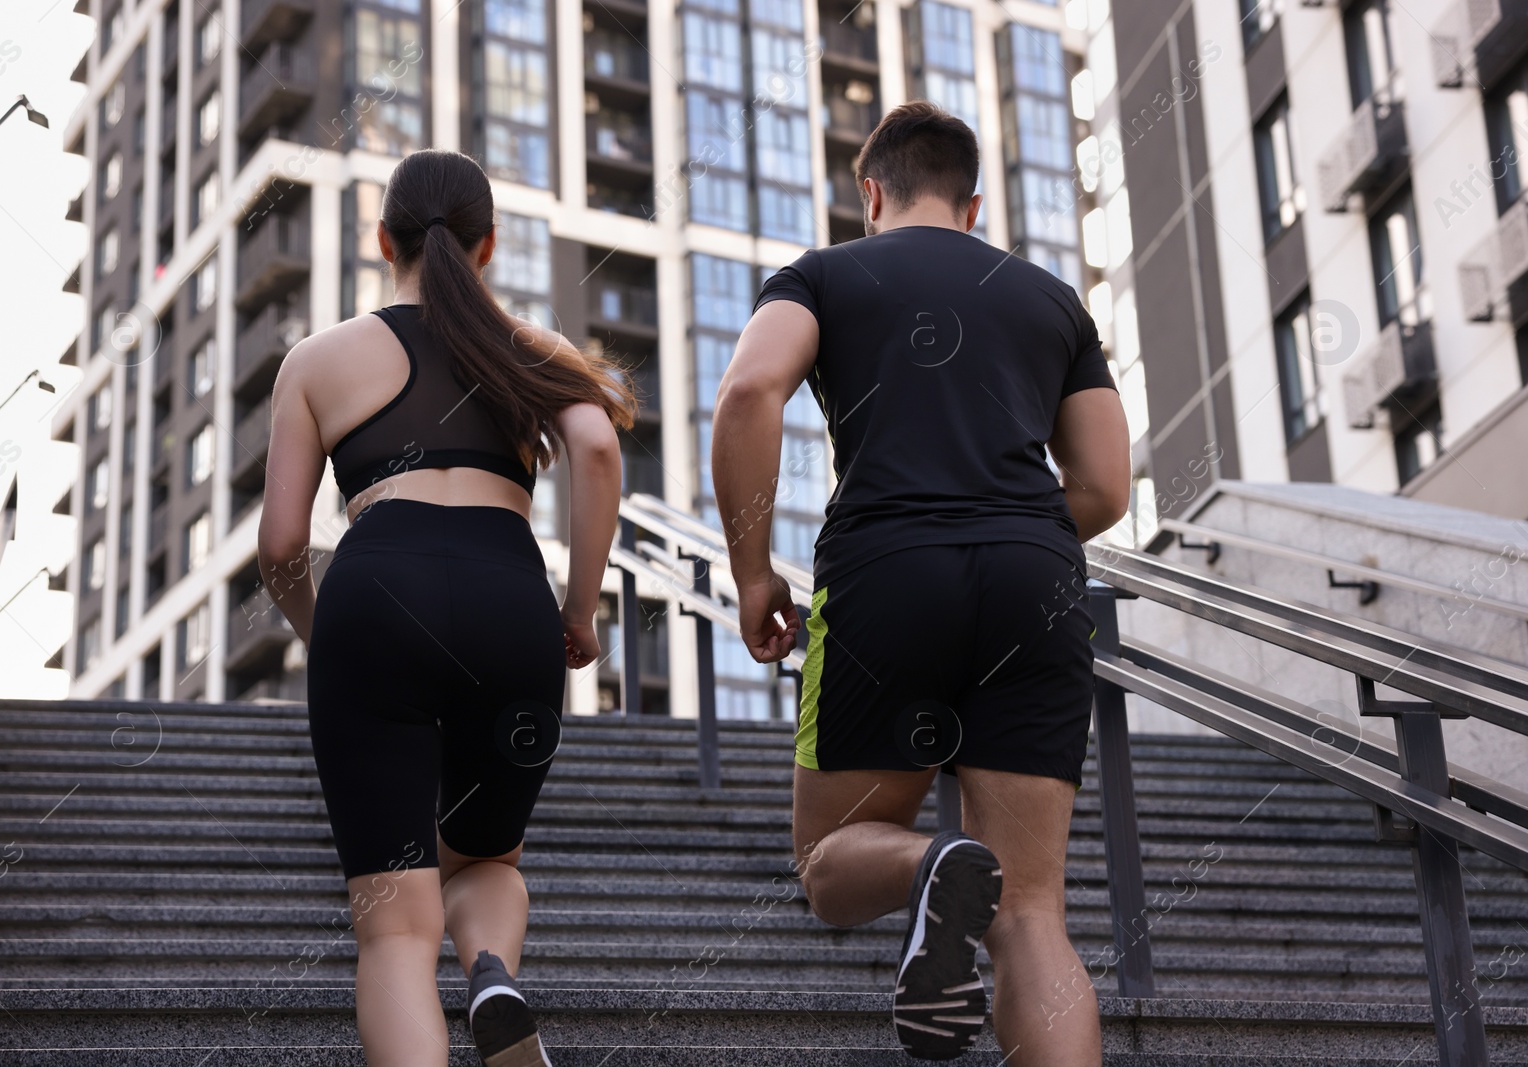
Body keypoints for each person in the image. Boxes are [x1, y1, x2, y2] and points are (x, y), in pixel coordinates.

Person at [711, 101, 1129, 1065]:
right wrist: (1011, 528)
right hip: (1038, 579)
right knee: (1030, 908)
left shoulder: (821, 275)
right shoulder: (1052, 298)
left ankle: (931, 860)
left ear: (871, 192)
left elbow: (746, 391)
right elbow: (1106, 484)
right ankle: (969, 878)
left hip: (882, 574)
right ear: (971, 205)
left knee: (826, 863)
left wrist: (750, 573)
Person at [258, 148, 633, 1067]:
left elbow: (276, 548)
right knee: (485, 859)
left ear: (383, 241)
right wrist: (579, 611)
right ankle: (493, 967)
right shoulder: (530, 353)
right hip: (511, 608)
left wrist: (331, 638)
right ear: (489, 246)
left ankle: (462, 980)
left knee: (393, 928)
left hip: (375, 594)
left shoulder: (316, 359)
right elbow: (595, 452)